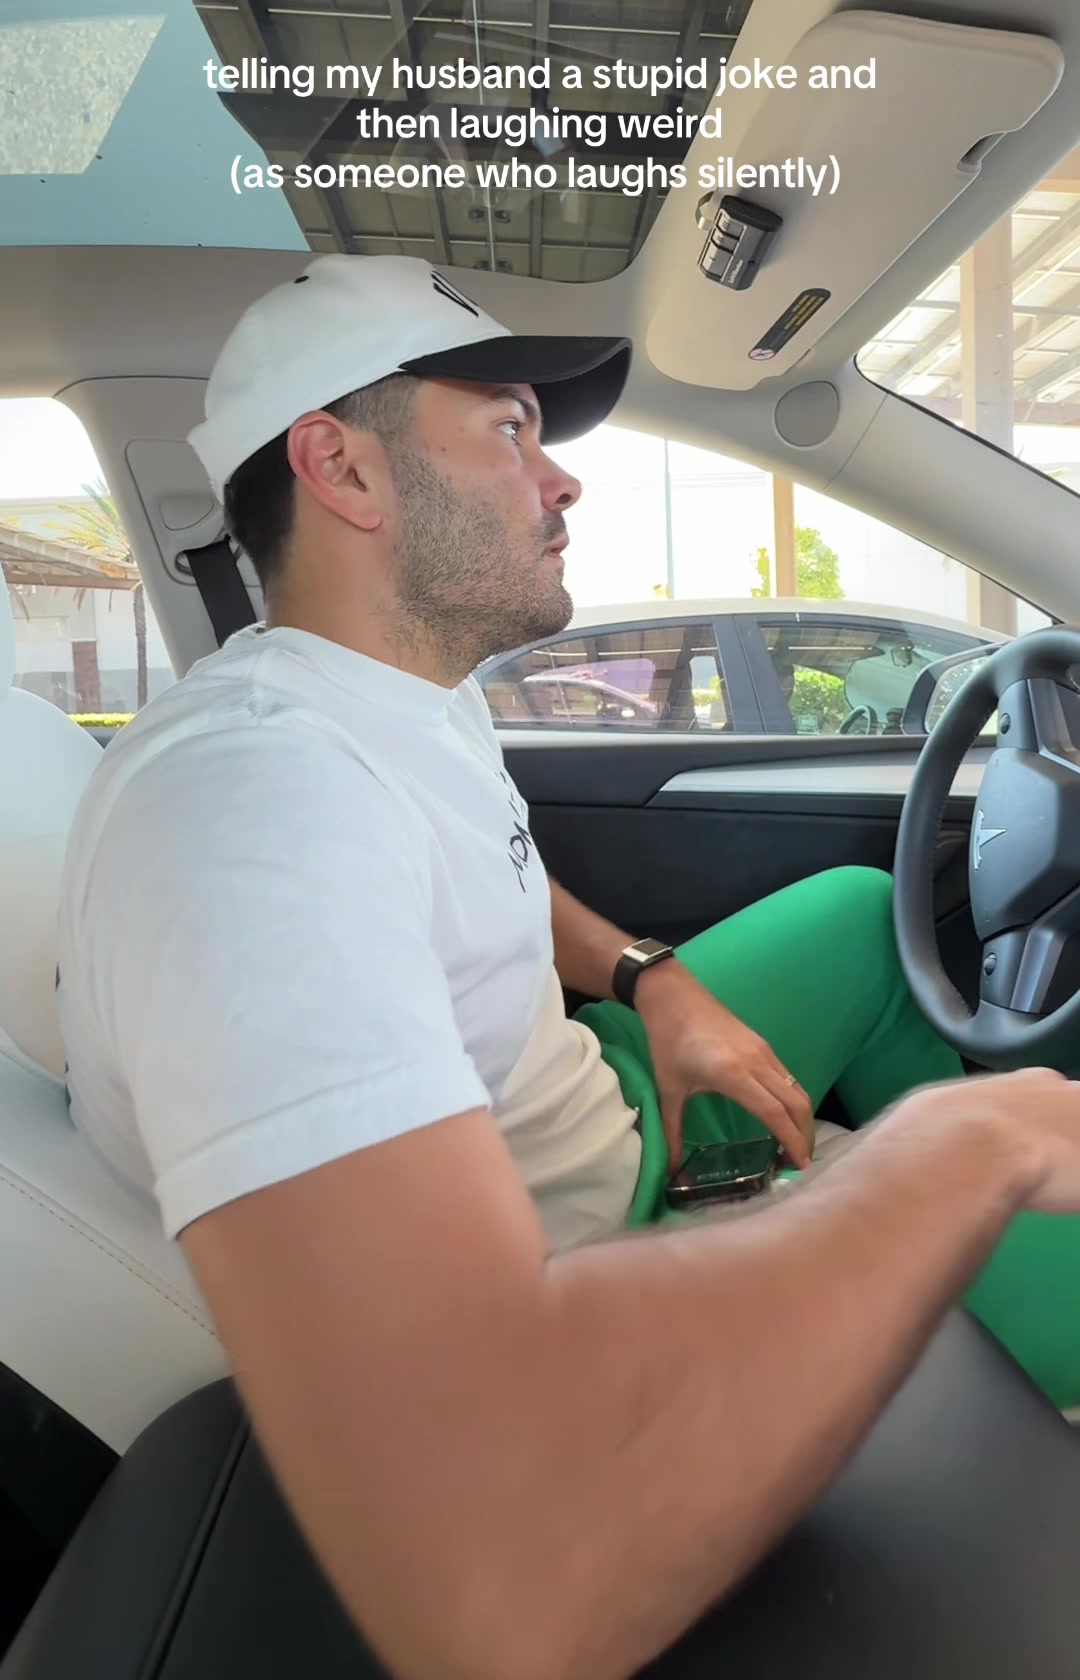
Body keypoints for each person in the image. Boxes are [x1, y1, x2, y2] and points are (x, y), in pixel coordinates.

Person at [58, 255, 1080, 1680]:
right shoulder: (247, 804)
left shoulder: (395, 696)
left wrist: (653, 981)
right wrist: (957, 1156)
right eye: (509, 429)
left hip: (595, 1095)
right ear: (342, 468)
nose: (563, 479)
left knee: (858, 913)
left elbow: (494, 872)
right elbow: (497, 1577)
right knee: (1019, 1187)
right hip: (595, 1232)